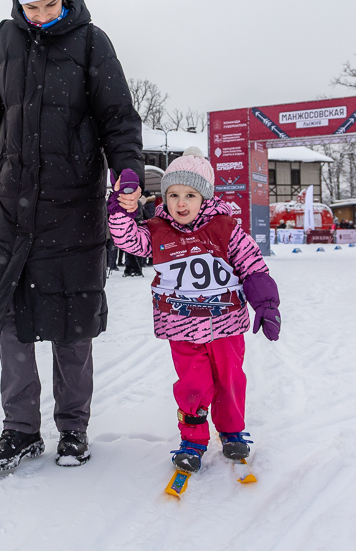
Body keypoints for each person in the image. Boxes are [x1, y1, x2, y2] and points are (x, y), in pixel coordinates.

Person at [0, 0, 143, 471]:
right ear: (18, 0)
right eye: (31, 6)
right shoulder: (2, 41)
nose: (42, 15)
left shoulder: (92, 42)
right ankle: (20, 429)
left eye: (50, 4)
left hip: (73, 205)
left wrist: (128, 172)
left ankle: (72, 428)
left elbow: (118, 115)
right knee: (11, 323)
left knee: (73, 324)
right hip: (13, 205)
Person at [108, 148, 280, 474]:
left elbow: (254, 268)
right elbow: (128, 240)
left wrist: (267, 305)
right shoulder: (159, 229)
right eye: (173, 195)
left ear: (206, 197)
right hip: (182, 327)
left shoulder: (226, 230)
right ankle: (193, 440)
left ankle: (231, 431)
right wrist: (119, 208)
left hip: (225, 326)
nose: (181, 203)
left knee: (229, 381)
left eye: (190, 194)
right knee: (193, 386)